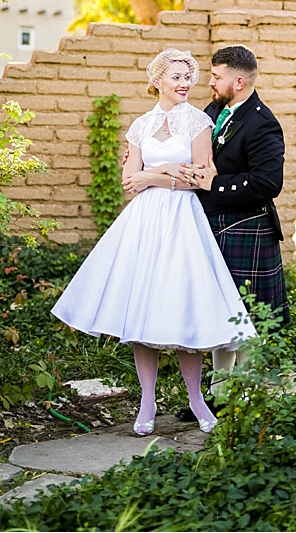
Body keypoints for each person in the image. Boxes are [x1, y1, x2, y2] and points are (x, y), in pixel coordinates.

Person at [51, 48, 255, 436]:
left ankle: (196, 398)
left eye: (187, 77)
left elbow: (200, 175)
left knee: (182, 308)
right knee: (141, 312)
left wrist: (152, 174)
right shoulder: (140, 126)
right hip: (144, 223)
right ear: (157, 80)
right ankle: (146, 401)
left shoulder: (198, 121)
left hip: (183, 220)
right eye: (175, 77)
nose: (184, 84)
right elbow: (130, 183)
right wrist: (160, 170)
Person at [177, 44, 288, 410]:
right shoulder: (215, 109)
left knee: (245, 317)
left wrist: (214, 184)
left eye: (217, 77)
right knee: (218, 309)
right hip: (211, 222)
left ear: (238, 82)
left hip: (245, 226)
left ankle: (245, 396)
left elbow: (269, 183)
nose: (210, 83)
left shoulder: (263, 123)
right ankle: (217, 395)